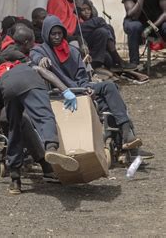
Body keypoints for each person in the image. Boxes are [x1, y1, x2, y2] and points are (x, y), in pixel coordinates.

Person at [30, 15, 153, 159]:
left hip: (81, 89)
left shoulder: (72, 51)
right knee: (108, 104)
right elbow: (34, 57)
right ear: (46, 34)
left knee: (110, 87)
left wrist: (86, 87)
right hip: (62, 94)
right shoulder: (41, 51)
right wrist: (41, 60)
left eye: (59, 33)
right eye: (53, 34)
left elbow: (81, 75)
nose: (57, 37)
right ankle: (128, 143)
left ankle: (126, 133)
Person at [0, 55, 79, 194]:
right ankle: (51, 148)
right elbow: (44, 71)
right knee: (44, 117)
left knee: (14, 130)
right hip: (31, 81)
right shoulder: (26, 67)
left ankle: (15, 181)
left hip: (8, 88)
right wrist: (65, 90)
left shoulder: (0, 81)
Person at [76, 0, 139, 71]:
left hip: (101, 49)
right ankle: (116, 58)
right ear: (79, 11)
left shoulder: (92, 19)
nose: (87, 12)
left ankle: (114, 58)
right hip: (88, 49)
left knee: (108, 28)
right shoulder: (78, 20)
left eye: (88, 9)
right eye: (83, 10)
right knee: (101, 26)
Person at [121, 0, 166, 67]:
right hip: (137, 25)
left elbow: (165, 12)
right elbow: (133, 16)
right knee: (133, 26)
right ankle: (134, 64)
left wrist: (151, 27)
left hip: (156, 23)